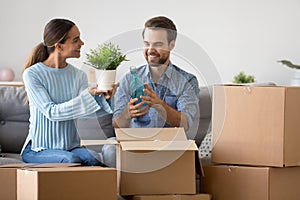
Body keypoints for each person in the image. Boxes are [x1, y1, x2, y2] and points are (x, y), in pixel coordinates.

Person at [102, 16, 200, 167]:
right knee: (109, 148)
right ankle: (125, 187)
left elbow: (185, 123)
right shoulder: (129, 79)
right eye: (147, 44)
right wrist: (128, 113)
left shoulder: (187, 81)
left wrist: (159, 105)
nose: (151, 50)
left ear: (171, 45)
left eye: (158, 44)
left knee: (184, 151)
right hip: (135, 144)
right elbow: (117, 125)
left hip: (167, 145)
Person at [21, 18, 117, 166]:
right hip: (38, 149)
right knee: (71, 160)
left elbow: (84, 113)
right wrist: (87, 96)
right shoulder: (33, 74)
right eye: (76, 40)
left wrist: (104, 99)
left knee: (93, 158)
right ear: (59, 46)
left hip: (71, 148)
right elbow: (51, 112)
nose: (82, 43)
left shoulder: (78, 75)